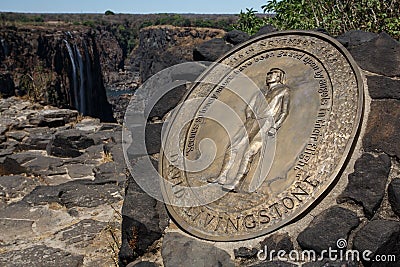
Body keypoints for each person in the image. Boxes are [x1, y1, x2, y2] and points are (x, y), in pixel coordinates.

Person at [208, 68, 290, 191]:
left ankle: (236, 183)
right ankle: (222, 176)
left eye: (272, 74)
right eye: (268, 73)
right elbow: (249, 107)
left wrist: (275, 126)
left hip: (267, 123)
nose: (268, 76)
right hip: (252, 121)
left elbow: (284, 111)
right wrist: (250, 118)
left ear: (278, 77)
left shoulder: (284, 90)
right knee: (233, 147)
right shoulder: (261, 92)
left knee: (249, 151)